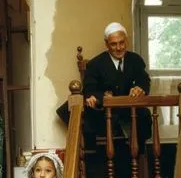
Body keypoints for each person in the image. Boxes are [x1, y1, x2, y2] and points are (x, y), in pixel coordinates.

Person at [56, 22, 151, 153]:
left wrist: (140, 88)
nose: (118, 48)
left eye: (122, 42)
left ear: (126, 41)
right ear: (107, 44)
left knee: (144, 118)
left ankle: (138, 154)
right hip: (105, 116)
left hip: (129, 114)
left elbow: (144, 80)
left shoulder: (135, 60)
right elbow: (89, 89)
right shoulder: (95, 64)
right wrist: (102, 97)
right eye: (113, 44)